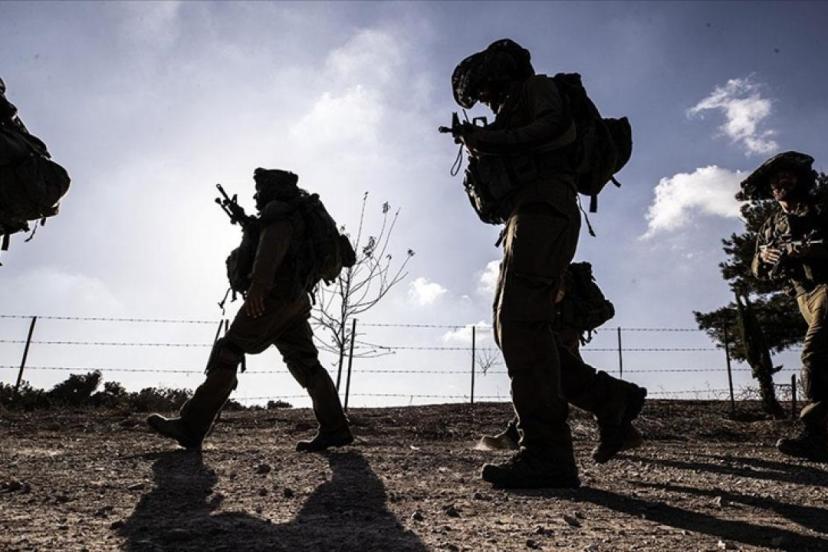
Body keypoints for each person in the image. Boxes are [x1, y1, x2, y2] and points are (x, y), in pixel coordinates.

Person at [449, 39, 646, 488]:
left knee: (520, 326)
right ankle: (608, 399)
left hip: (544, 208)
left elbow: (556, 130)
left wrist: (489, 140)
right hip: (526, 215)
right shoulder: (512, 109)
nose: (485, 100)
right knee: (519, 329)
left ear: (497, 74)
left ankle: (548, 453)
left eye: (484, 90)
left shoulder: (537, 88)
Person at [147, 168, 353, 452]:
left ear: (271, 188)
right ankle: (335, 427)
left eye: (259, 190)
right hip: (296, 300)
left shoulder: (279, 214)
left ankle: (191, 426)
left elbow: (273, 247)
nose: (256, 196)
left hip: (272, 297)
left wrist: (258, 286)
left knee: (229, 349)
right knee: (306, 362)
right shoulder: (302, 214)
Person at [478, 262, 645, 463]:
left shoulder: (545, 261)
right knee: (555, 379)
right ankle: (624, 427)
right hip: (556, 326)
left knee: (549, 377)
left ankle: (616, 402)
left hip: (556, 327)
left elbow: (554, 290)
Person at [746, 151, 828, 461]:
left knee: (815, 353)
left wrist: (804, 249)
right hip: (803, 296)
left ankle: (816, 434)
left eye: (788, 175)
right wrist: (763, 258)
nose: (782, 181)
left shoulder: (821, 207)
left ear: (800, 179)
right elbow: (756, 268)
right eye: (776, 179)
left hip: (827, 287)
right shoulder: (770, 224)